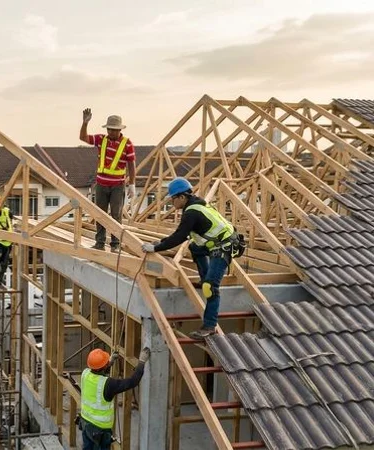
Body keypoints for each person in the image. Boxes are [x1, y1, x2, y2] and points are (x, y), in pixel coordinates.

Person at [140, 177, 244, 340]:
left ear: (182, 197)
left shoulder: (191, 212)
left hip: (224, 246)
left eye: (173, 198)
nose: (172, 202)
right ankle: (204, 278)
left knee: (210, 287)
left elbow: (180, 237)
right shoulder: (195, 205)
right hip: (217, 242)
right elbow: (183, 233)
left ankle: (209, 326)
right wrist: (161, 242)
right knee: (195, 247)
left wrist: (155, 248)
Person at [80, 108, 137, 252]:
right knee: (100, 214)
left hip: (117, 185)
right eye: (109, 129)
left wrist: (132, 184)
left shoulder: (127, 144)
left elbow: (131, 164)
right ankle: (99, 243)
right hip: (101, 184)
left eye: (113, 130)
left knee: (116, 214)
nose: (110, 132)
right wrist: (85, 123)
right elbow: (83, 138)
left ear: (119, 130)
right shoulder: (101, 140)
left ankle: (115, 244)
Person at [79, 347, 150, 450]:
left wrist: (109, 362)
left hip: (85, 423)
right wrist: (142, 362)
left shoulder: (85, 374)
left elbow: (98, 371)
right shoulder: (108, 384)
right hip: (100, 430)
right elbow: (132, 381)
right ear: (104, 366)